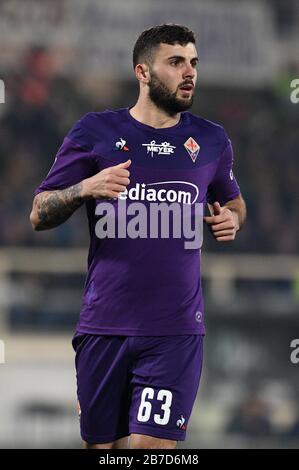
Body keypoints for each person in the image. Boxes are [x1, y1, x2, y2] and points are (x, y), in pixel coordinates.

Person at [30, 24, 246, 449]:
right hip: (103, 326)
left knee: (152, 452)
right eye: (176, 62)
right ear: (143, 73)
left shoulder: (211, 140)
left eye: (194, 63)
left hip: (175, 330)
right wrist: (85, 188)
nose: (189, 73)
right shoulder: (95, 132)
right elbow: (38, 213)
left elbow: (234, 203)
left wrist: (234, 220)